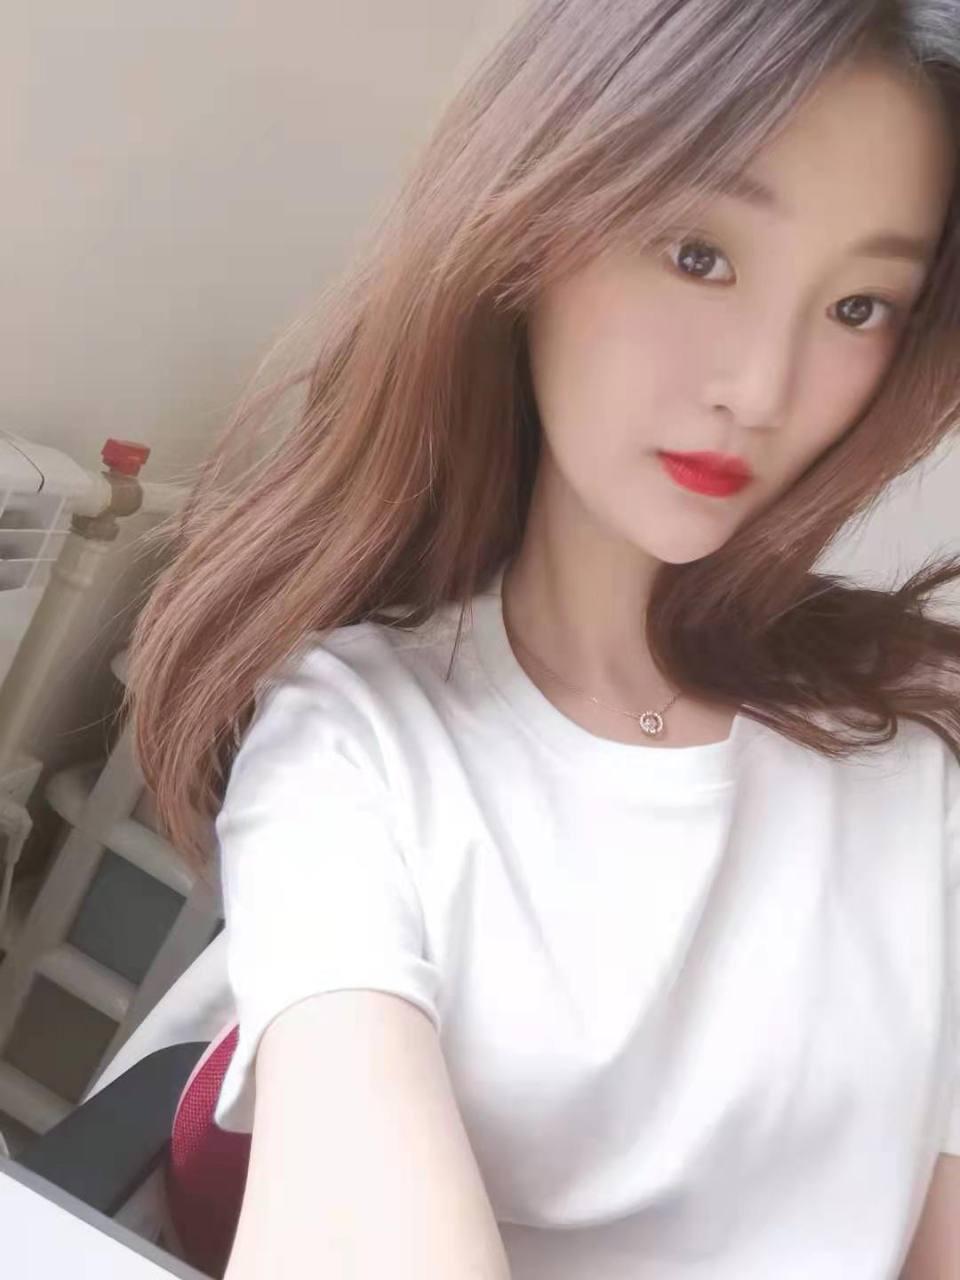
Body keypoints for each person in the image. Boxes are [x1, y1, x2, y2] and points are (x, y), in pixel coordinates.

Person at [124, 2, 960, 1276]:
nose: (761, 387)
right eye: (698, 255)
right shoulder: (359, 741)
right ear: (533, 224)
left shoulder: (916, 733)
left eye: (857, 305)